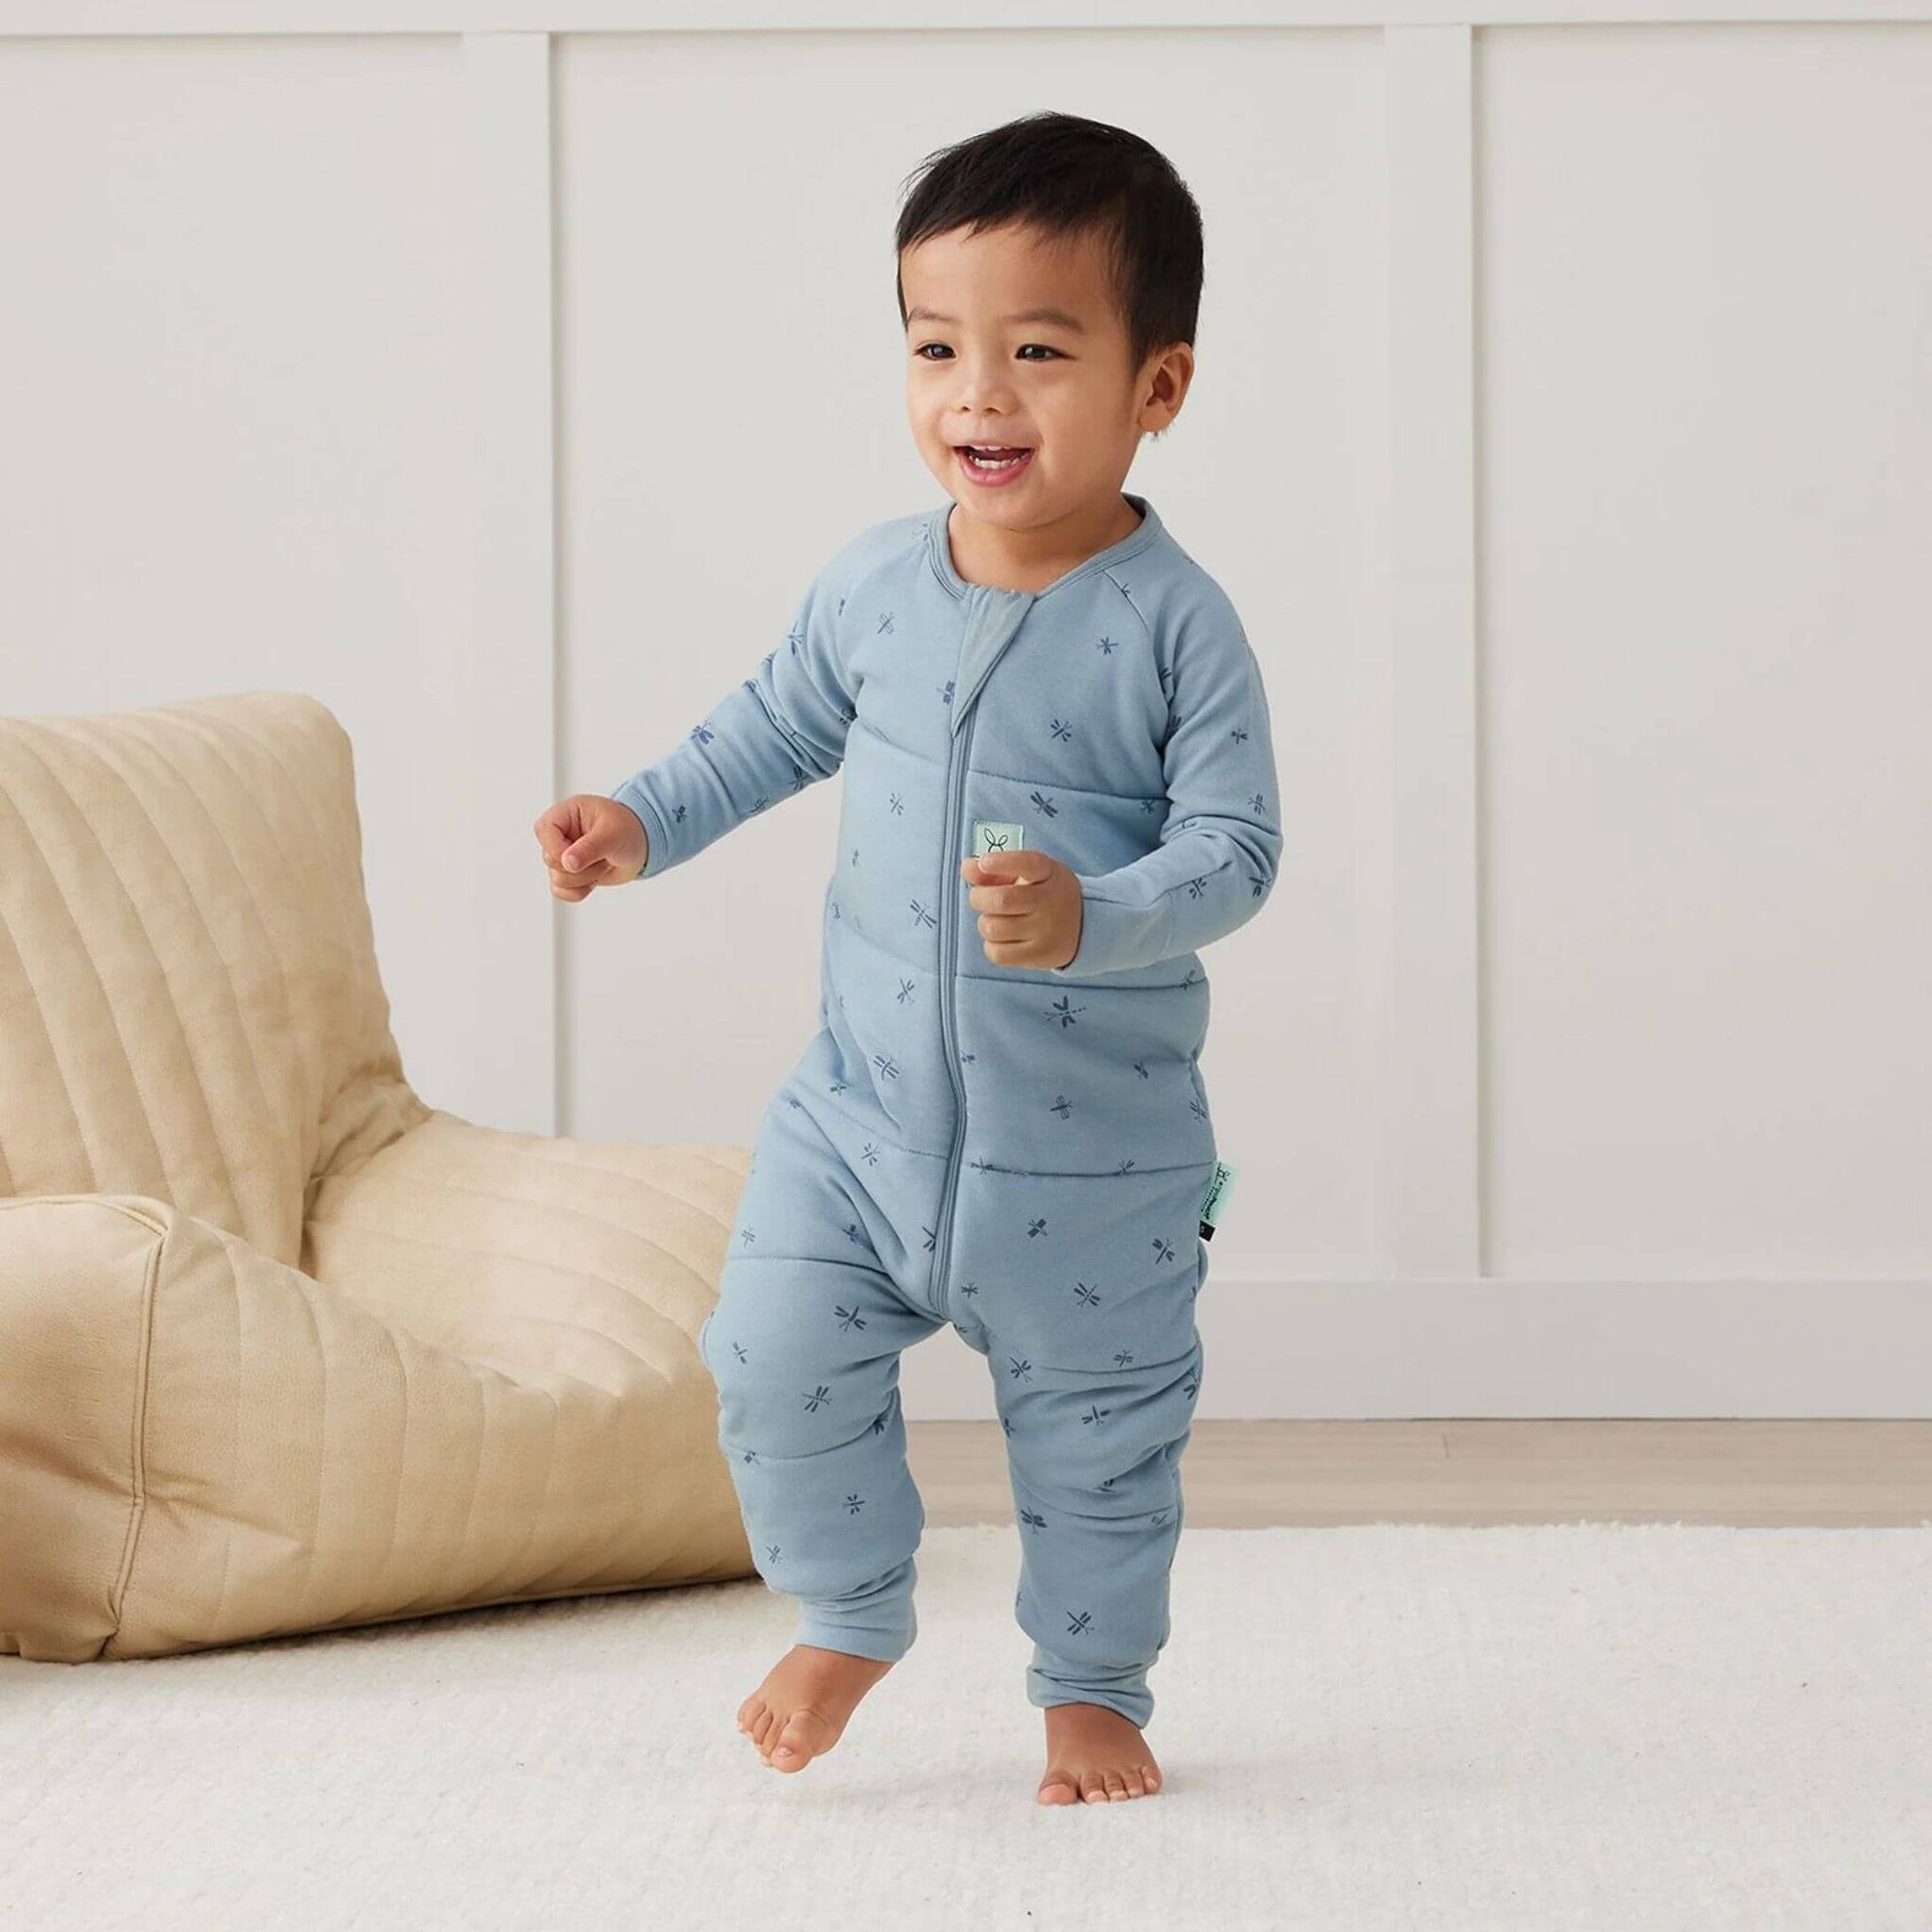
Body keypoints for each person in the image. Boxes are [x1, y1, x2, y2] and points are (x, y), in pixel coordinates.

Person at [533, 110, 1280, 1806]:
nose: (978, 397)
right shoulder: (874, 585)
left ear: (1156, 385)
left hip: (1087, 1163)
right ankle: (853, 1608)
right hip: (858, 1122)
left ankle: (1092, 1688)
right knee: (766, 1350)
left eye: (1036, 350)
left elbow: (1236, 850)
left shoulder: (1176, 623)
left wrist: (1091, 912)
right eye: (936, 347)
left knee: (1099, 1448)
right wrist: (637, 820)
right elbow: (766, 731)